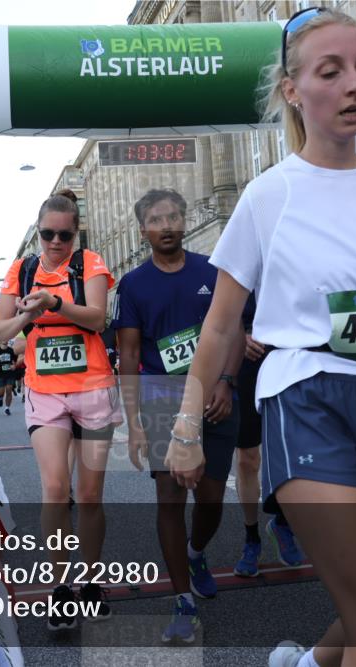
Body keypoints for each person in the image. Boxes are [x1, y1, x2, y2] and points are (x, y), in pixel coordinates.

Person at [165, 9, 356, 666]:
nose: (354, 85)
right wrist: (185, 426)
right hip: (306, 395)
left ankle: (306, 663)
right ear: (292, 90)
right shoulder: (268, 195)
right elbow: (219, 324)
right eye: (331, 72)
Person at [115, 188, 243, 643]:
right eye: (155, 220)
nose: (166, 226)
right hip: (161, 398)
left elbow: (234, 331)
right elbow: (129, 355)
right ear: (143, 230)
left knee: (211, 500)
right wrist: (134, 422)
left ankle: (196, 551)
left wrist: (226, 382)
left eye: (172, 217)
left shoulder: (212, 270)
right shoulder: (132, 285)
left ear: (185, 220)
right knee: (169, 501)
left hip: (213, 396)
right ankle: (182, 600)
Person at [0, 188, 121, 631]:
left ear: (75, 234)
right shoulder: (22, 270)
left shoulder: (90, 264)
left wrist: (54, 303)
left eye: (65, 235)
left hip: (93, 389)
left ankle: (91, 581)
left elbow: (98, 318)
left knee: (89, 495)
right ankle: (60, 588)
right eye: (48, 234)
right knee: (55, 488)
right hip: (44, 392)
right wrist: (27, 317)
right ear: (38, 233)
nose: (56, 243)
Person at [233, 295, 303, 576]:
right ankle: (251, 537)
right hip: (247, 361)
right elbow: (216, 313)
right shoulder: (233, 266)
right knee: (248, 458)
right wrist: (239, 337)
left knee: (289, 450)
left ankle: (282, 522)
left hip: (289, 356)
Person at [0, 340, 16, 415]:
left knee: (9, 390)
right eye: (3, 339)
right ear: (0, 341)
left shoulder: (11, 350)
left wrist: (14, 366)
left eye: (6, 339)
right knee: (0, 392)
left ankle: (7, 408)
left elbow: (15, 361)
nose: (4, 340)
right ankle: (0, 398)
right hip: (0, 374)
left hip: (10, 373)